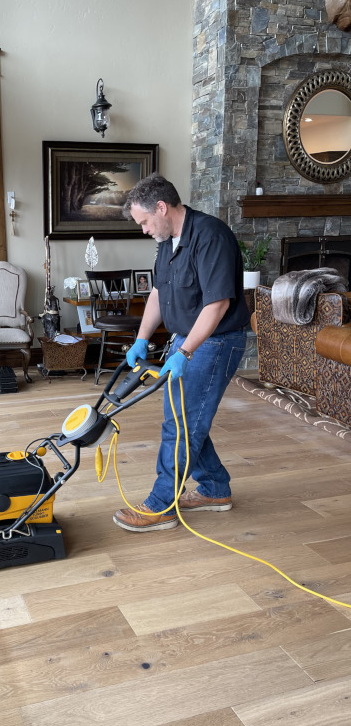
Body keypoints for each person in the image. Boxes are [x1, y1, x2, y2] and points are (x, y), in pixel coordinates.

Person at [113, 174, 250, 532]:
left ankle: (161, 505)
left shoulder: (210, 236)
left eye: (143, 221)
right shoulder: (167, 241)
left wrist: (185, 351)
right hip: (186, 340)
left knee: (183, 424)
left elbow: (218, 303)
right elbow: (158, 293)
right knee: (184, 417)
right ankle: (215, 488)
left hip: (215, 341)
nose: (143, 229)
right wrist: (141, 339)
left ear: (161, 208)